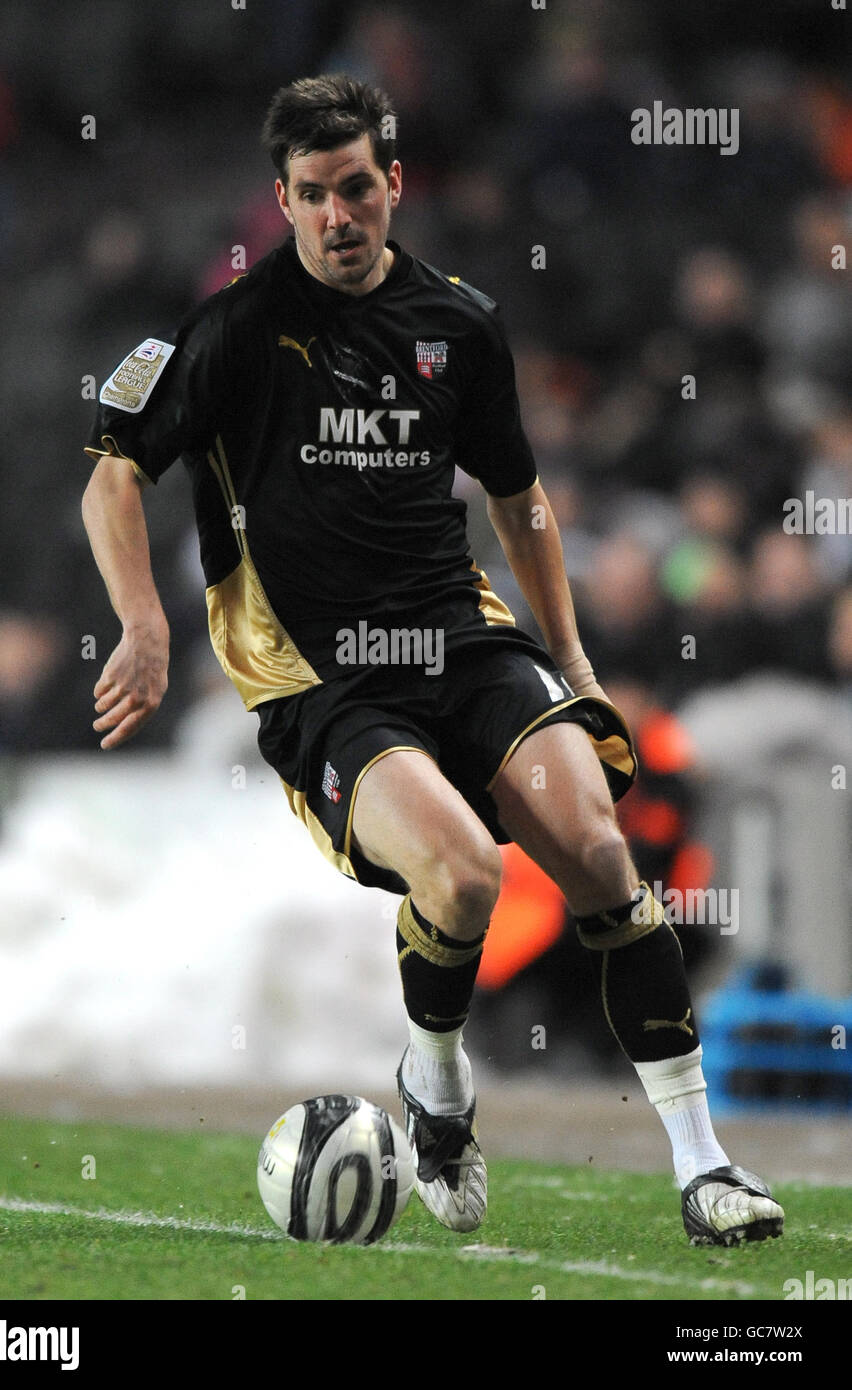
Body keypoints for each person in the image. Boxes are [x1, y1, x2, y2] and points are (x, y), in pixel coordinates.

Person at [81, 74, 784, 1246]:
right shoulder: (229, 335)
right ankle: (438, 1085)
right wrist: (143, 623)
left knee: (606, 852)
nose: (338, 216)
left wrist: (572, 659)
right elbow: (111, 477)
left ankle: (705, 1164)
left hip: (461, 640)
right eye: (312, 195)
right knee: (462, 879)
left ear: (393, 183)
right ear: (284, 201)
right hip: (322, 679)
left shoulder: (460, 325)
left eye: (357, 187)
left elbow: (522, 501)